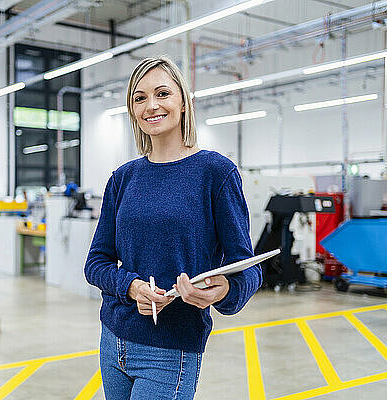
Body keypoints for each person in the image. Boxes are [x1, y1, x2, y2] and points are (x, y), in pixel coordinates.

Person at [84, 56, 262, 400]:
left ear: (184, 102)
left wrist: (223, 290)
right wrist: (132, 287)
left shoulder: (216, 173)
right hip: (113, 339)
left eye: (162, 93)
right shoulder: (123, 178)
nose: (152, 105)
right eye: (140, 98)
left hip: (171, 350)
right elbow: (96, 263)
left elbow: (247, 267)